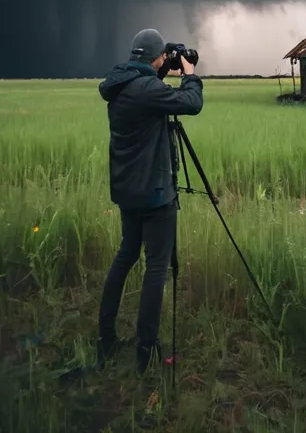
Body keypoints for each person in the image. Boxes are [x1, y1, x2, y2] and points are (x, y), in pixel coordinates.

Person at [96, 28, 204, 375]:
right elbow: (192, 104)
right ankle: (146, 350)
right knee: (156, 266)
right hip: (155, 194)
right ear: (156, 58)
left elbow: (149, 86)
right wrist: (189, 74)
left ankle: (106, 336)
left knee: (126, 254)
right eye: (162, 58)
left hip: (128, 192)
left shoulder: (120, 85)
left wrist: (160, 67)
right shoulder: (148, 90)